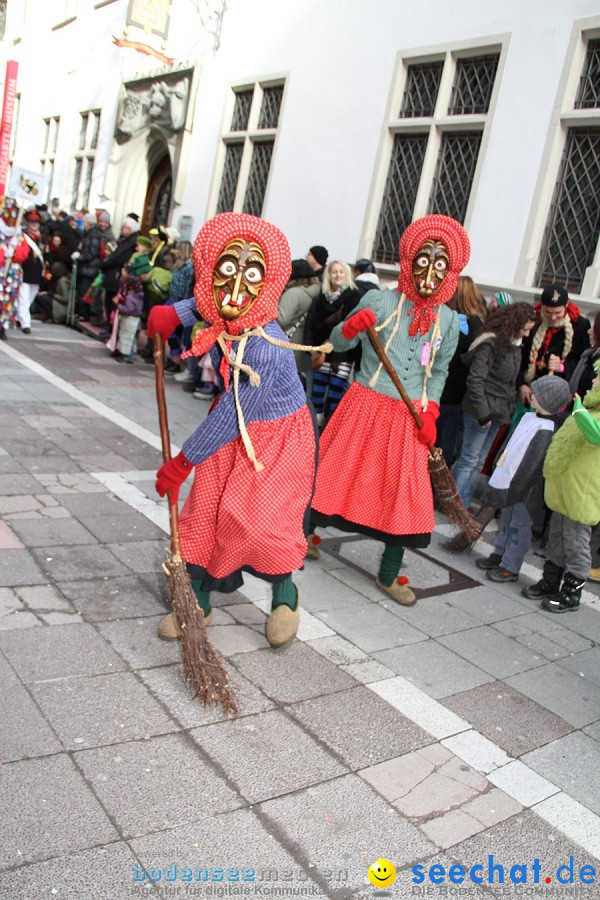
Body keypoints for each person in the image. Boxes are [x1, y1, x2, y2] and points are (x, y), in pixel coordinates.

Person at [147, 212, 320, 649]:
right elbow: (212, 302)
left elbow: (229, 415)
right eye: (226, 271)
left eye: (251, 277)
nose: (236, 289)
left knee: (261, 523)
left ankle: (286, 594)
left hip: (274, 438)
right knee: (207, 512)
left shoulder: (266, 349)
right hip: (234, 430)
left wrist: (183, 461)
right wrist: (176, 312)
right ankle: (198, 601)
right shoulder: (230, 306)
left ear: (268, 285)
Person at [308, 214, 468, 606]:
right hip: (364, 403)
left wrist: (430, 414)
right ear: (409, 261)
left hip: (410, 418)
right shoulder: (379, 299)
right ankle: (302, 537)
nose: (429, 273)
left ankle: (387, 573)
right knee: (335, 475)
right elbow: (335, 344)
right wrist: (349, 328)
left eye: (440, 265)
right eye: (423, 261)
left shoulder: (447, 320)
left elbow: (440, 371)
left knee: (405, 495)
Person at [476, 375, 571, 583]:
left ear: (547, 400)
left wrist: (518, 485)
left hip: (525, 490)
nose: (532, 394)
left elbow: (532, 463)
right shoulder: (530, 417)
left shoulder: (546, 429)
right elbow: (510, 444)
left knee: (518, 526)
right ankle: (500, 553)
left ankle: (511, 565)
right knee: (506, 520)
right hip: (509, 481)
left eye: (537, 393)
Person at [522, 359, 600, 613]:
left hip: (582, 494)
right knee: (556, 536)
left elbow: (595, 433)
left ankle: (572, 594)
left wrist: (578, 410)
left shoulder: (589, 414)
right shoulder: (591, 409)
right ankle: (550, 581)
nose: (594, 381)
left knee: (576, 543)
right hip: (565, 489)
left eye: (598, 378)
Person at [452, 302, 537, 509]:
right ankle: (455, 504)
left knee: (479, 461)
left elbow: (509, 381)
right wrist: (483, 413)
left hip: (498, 412)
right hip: (480, 411)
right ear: (514, 324)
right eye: (525, 329)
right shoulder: (490, 344)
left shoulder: (514, 345)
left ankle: (464, 500)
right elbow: (475, 380)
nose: (527, 334)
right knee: (469, 459)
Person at [437, 275, 487, 465]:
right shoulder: (477, 325)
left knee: (440, 442)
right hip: (457, 392)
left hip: (445, 390)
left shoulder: (453, 321)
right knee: (446, 442)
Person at [304, 260, 360, 424]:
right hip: (321, 353)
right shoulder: (321, 297)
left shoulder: (353, 296)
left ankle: (330, 430)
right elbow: (311, 324)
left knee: (335, 397)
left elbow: (349, 330)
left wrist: (338, 356)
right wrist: (311, 350)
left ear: (347, 274)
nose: (338, 275)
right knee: (317, 395)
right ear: (328, 274)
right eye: (334, 272)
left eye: (341, 271)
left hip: (342, 356)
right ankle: (316, 427)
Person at [518, 283, 590, 405]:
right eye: (547, 312)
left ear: (566, 306)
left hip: (557, 393)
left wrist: (563, 367)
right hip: (529, 389)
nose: (552, 317)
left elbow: (582, 361)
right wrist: (520, 384)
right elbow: (520, 355)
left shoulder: (580, 326)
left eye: (558, 312)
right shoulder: (533, 321)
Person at [276, 258, 320, 377]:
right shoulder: (313, 291)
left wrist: (271, 307)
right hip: (299, 349)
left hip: (286, 347)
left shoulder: (293, 293)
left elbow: (282, 320)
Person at [99, 216, 140, 329]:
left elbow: (117, 257)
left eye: (125, 228)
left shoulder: (130, 243)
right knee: (109, 300)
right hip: (113, 273)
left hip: (116, 274)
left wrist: (104, 264)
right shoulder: (123, 240)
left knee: (113, 301)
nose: (123, 230)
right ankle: (109, 324)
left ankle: (111, 326)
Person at [110, 255, 150, 362]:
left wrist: (119, 306)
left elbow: (129, 307)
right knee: (130, 338)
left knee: (128, 337)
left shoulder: (132, 293)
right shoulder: (137, 291)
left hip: (131, 317)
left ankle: (127, 356)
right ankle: (127, 355)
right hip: (135, 317)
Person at [0, 200, 29, 340]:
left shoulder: (18, 234)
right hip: (1, 272)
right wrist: (4, 253)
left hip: (12, 275)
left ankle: (2, 326)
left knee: (8, 300)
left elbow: (24, 252)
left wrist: (15, 252)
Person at [18, 210, 47, 334]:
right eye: (31, 222)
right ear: (27, 223)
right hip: (25, 271)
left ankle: (20, 316)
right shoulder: (22, 236)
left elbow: (47, 255)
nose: (34, 224)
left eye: (36, 222)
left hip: (37, 273)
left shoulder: (43, 238)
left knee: (29, 299)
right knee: (23, 298)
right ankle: (26, 324)